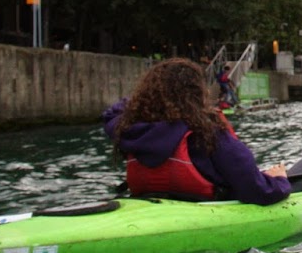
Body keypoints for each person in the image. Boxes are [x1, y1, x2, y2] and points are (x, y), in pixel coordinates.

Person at [103, 58, 291, 204]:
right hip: (205, 207)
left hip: (148, 205)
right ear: (197, 93)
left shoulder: (129, 128)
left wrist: (145, 102)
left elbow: (113, 111)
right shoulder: (208, 131)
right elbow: (257, 191)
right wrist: (279, 181)